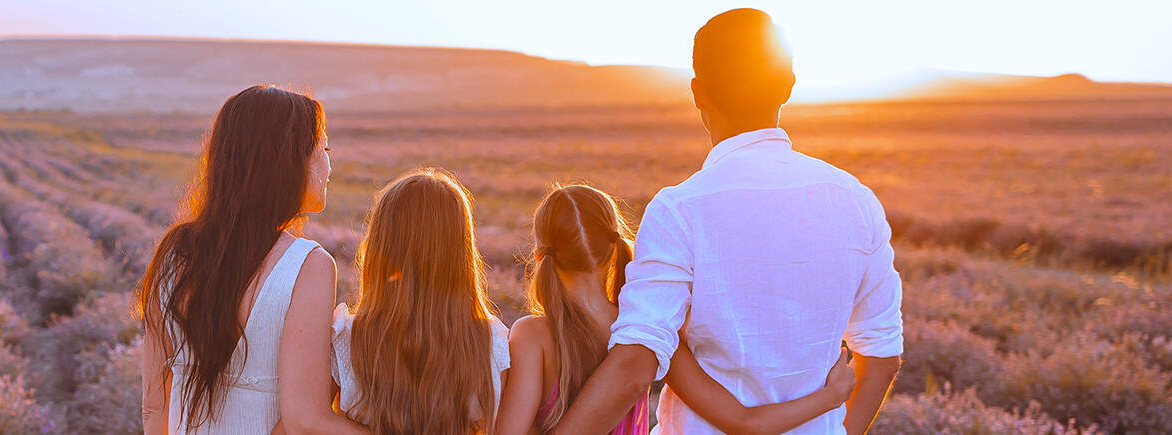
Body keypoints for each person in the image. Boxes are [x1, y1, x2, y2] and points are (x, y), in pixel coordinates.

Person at [552, 8, 905, 435]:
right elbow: (881, 354)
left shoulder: (679, 210)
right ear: (788, 86)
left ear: (697, 93)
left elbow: (635, 365)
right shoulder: (856, 201)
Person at [494, 185, 856, 435]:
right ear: (614, 246)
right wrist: (831, 396)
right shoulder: (650, 333)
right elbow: (745, 423)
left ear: (541, 254)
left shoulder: (533, 336)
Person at [137, 84, 362, 435]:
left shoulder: (173, 254)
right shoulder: (307, 265)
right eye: (323, 149)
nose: (329, 165)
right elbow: (306, 420)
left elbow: (154, 408)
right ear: (287, 162)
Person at [328, 168, 510, 434]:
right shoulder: (491, 342)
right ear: (461, 255)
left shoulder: (348, 338)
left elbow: (306, 421)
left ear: (379, 250)